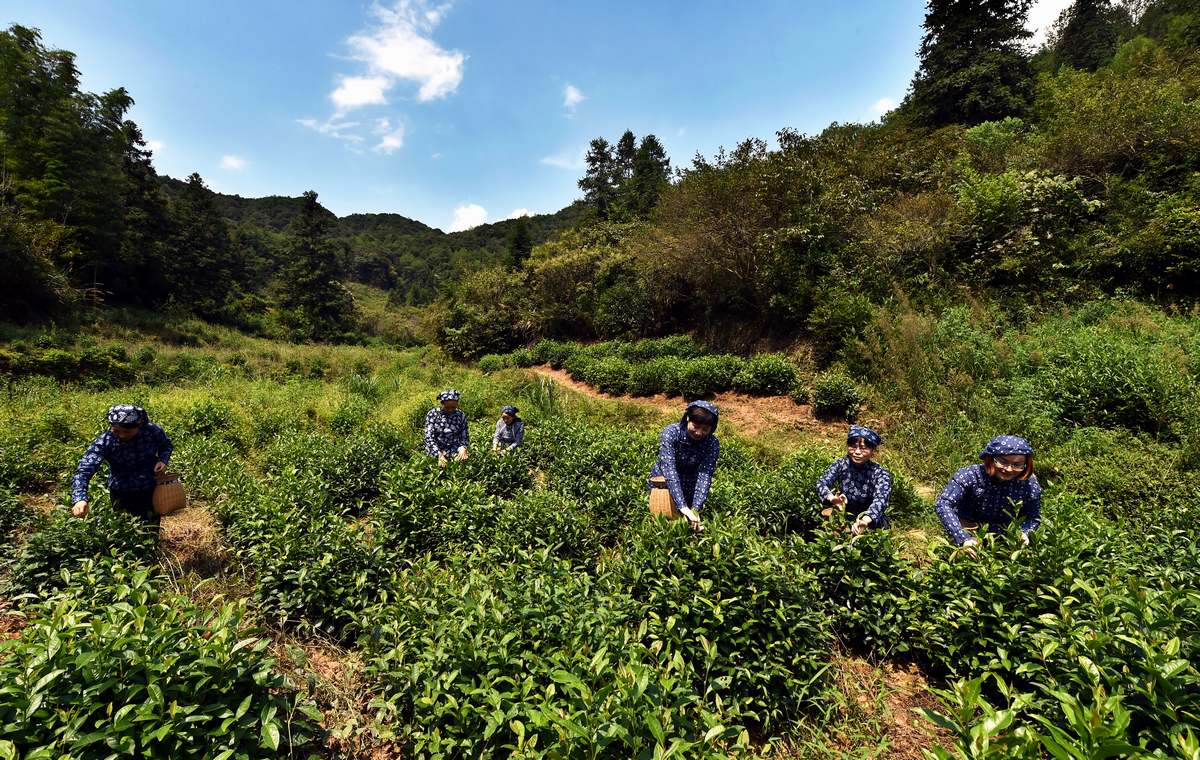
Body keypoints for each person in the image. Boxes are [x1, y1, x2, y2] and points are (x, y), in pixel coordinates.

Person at [935, 435, 1042, 556]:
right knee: (967, 559)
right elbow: (943, 504)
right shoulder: (969, 475)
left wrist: (1025, 533)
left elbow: (1033, 516)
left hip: (1007, 535)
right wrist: (962, 538)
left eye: (1017, 465)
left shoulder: (1029, 484)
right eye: (1003, 462)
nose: (1008, 469)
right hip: (970, 530)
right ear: (991, 458)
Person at [71, 404, 173, 523]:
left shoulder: (152, 431)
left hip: (150, 487)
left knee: (150, 527)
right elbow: (84, 470)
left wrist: (162, 460)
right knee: (124, 527)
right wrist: (80, 499)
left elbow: (166, 445)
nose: (122, 435)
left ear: (140, 424)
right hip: (121, 491)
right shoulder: (105, 441)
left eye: (127, 431)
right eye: (116, 431)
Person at [648, 401, 720, 532]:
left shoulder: (712, 443)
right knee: (663, 524)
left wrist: (695, 510)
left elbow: (705, 475)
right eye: (696, 426)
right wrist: (682, 506)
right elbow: (669, 468)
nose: (699, 432)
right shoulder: (670, 432)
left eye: (705, 429)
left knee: (688, 525)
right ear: (688, 418)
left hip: (689, 483)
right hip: (663, 482)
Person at [816, 425, 892, 536]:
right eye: (853, 446)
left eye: (863, 448)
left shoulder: (880, 473)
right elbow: (821, 483)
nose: (857, 452)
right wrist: (832, 498)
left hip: (871, 522)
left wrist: (865, 521)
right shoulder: (840, 465)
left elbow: (880, 500)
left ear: (873, 450)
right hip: (846, 519)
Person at [425, 389, 469, 467]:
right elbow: (429, 438)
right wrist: (439, 455)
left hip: (454, 451)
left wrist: (463, 448)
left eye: (453, 407)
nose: (450, 410)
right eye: (447, 407)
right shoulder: (433, 414)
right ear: (442, 404)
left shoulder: (460, 415)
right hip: (435, 451)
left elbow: (464, 436)